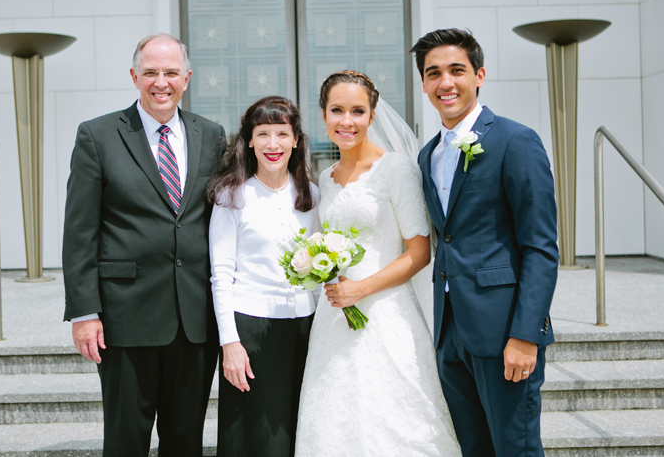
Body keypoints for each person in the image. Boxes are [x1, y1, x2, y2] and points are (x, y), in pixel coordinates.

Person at [62, 33, 226, 457]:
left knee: (185, 441)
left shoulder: (212, 135)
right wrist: (84, 312)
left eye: (171, 72)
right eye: (151, 72)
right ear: (134, 77)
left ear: (186, 78)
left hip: (194, 318)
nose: (161, 82)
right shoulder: (98, 135)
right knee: (125, 441)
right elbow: (80, 231)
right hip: (125, 317)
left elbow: (224, 220)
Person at [295, 70, 460, 456]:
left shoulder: (396, 169)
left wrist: (361, 288)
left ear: (372, 115)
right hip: (335, 317)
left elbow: (419, 252)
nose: (347, 121)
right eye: (337, 110)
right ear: (324, 115)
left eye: (357, 111)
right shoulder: (326, 177)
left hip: (387, 311)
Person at [413, 28, 558, 457]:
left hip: (503, 332)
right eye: (433, 73)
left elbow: (540, 246)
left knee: (516, 449)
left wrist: (526, 335)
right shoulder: (428, 155)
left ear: (479, 75)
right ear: (423, 84)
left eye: (456, 70)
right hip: (450, 334)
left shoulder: (516, 141)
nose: (445, 82)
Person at [207, 96, 320, 457]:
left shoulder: (312, 194)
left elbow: (321, 269)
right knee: (254, 438)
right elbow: (221, 275)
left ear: (296, 140)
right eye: (263, 134)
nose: (273, 144)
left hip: (303, 329)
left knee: (294, 431)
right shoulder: (231, 196)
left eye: (282, 134)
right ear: (250, 141)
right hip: (250, 330)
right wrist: (230, 343)